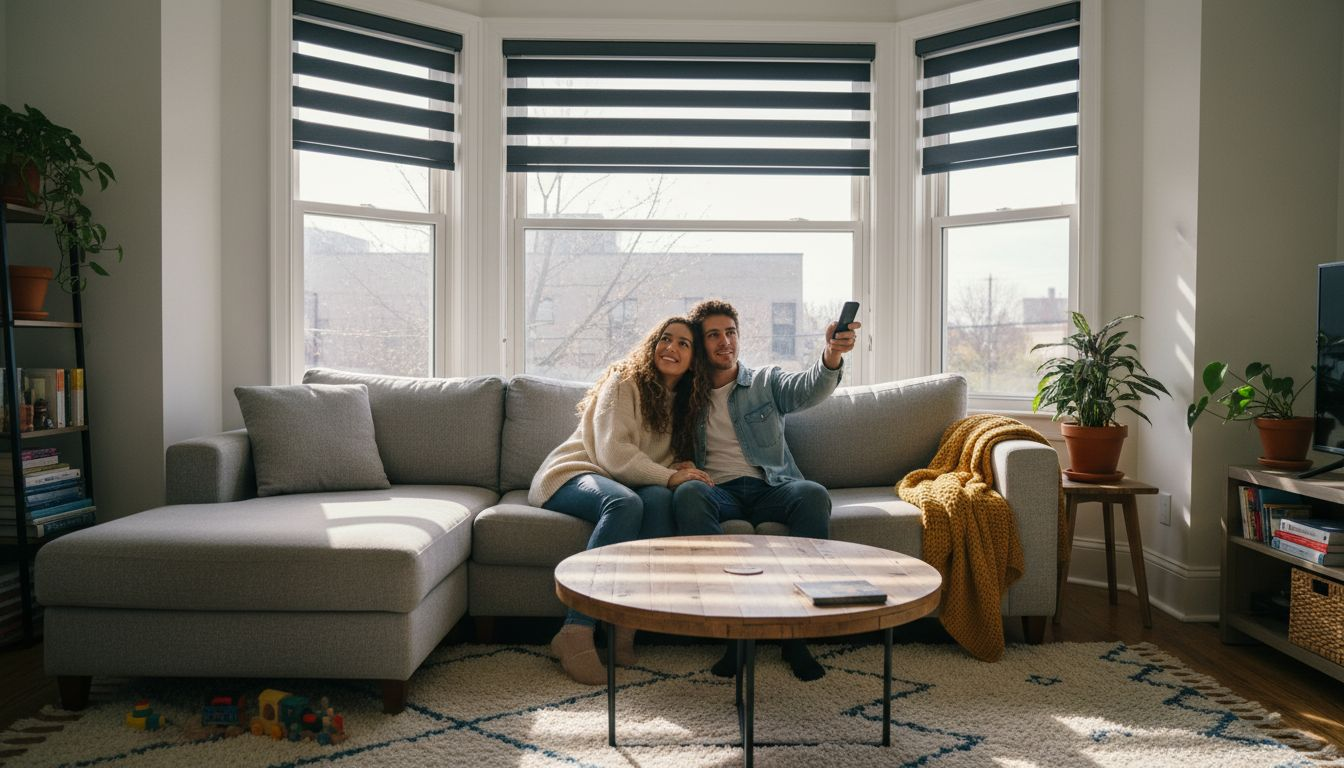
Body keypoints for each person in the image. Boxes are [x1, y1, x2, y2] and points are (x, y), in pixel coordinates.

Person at [674, 299, 860, 681]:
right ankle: (732, 635)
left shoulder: (766, 381)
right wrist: (681, 466)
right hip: (718, 491)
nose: (724, 342)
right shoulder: (684, 396)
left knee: (812, 494)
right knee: (687, 494)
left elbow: (809, 388)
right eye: (713, 335)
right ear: (700, 343)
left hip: (771, 487)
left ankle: (797, 634)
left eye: (730, 332)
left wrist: (831, 354)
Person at [530, 316, 714, 685]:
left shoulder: (687, 402)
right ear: (652, 343)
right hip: (577, 472)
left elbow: (664, 462)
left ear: (694, 360)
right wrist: (669, 474)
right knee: (625, 504)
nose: (671, 348)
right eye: (665, 338)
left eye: (683, 343)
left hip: (625, 481)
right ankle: (575, 631)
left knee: (661, 500)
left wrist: (683, 468)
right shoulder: (624, 380)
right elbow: (613, 453)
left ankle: (623, 625)